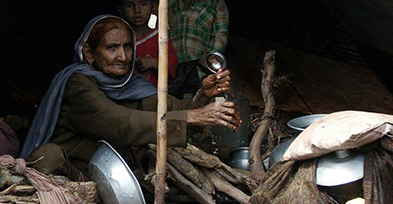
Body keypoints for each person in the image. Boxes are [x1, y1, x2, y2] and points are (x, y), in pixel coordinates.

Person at [19, 15, 241, 180]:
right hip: (73, 174)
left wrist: (201, 97)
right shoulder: (77, 84)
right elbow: (120, 122)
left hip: (114, 178)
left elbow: (171, 107)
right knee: (48, 156)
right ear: (89, 53)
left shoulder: (129, 85)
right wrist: (193, 116)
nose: (123, 57)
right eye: (112, 48)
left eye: (127, 47)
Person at [168, 0, 229, 97]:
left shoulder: (216, 2)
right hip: (170, 66)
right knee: (172, 105)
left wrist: (203, 66)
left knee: (199, 100)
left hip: (200, 68)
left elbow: (219, 38)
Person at [116, 0, 178, 87]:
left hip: (156, 98)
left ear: (153, 7)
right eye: (130, 5)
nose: (137, 10)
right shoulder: (118, 41)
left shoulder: (160, 37)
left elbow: (172, 68)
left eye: (143, 4)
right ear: (121, 10)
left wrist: (154, 63)